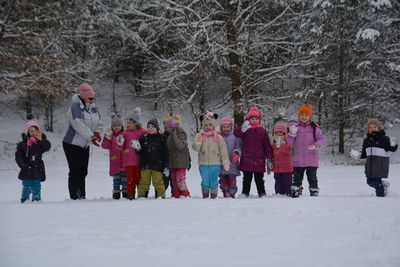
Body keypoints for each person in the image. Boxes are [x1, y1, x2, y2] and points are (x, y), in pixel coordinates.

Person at [63, 83, 102, 200]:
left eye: (93, 98)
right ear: (83, 96)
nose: (92, 100)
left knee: (83, 171)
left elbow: (99, 121)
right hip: (72, 144)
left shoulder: (93, 108)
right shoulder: (74, 108)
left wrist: (97, 132)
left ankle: (82, 195)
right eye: (90, 98)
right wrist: (91, 137)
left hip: (84, 144)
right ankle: (74, 196)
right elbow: (78, 124)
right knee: (75, 170)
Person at [351, 118, 398, 197]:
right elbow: (364, 153)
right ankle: (383, 185)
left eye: (374, 127)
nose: (372, 129)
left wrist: (393, 145)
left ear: (378, 128)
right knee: (369, 182)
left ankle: (380, 199)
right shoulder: (366, 140)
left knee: (376, 183)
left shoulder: (384, 139)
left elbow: (392, 149)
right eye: (370, 127)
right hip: (370, 166)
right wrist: (358, 156)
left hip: (380, 165)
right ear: (368, 129)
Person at [234, 107, 273, 198]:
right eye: (252, 119)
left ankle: (262, 193)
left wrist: (269, 158)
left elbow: (267, 146)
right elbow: (236, 133)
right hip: (247, 159)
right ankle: (245, 193)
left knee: (259, 179)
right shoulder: (245, 130)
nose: (254, 120)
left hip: (259, 160)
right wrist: (242, 129)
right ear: (248, 120)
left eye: (256, 119)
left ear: (259, 120)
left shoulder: (263, 131)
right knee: (247, 178)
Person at [287, 103, 324, 197]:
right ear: (299, 116)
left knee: (312, 177)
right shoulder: (295, 128)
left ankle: (314, 190)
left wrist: (315, 145)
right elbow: (289, 142)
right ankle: (296, 190)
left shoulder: (315, 127)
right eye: (302, 115)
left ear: (310, 116)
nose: (304, 117)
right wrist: (291, 134)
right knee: (297, 177)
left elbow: (321, 139)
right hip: (298, 160)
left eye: (306, 115)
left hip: (311, 159)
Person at [192, 111, 230, 199]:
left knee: (213, 181)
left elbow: (223, 150)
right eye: (206, 125)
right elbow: (196, 149)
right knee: (205, 181)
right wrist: (197, 142)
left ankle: (213, 196)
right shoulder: (200, 136)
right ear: (203, 126)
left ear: (213, 125)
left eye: (210, 125)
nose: (208, 127)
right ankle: (205, 195)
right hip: (203, 163)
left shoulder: (218, 137)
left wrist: (225, 161)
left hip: (215, 163)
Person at [15, 120, 51, 203]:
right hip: (27, 168)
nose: (33, 133)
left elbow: (47, 147)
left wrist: (42, 140)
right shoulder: (23, 144)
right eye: (31, 131)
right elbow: (18, 156)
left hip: (37, 168)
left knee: (37, 186)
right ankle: (25, 199)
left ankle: (37, 199)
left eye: (35, 131)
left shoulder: (40, 143)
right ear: (28, 132)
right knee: (26, 185)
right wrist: (23, 165)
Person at [135, 119, 169, 198]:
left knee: (158, 182)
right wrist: (137, 149)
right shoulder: (144, 138)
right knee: (144, 182)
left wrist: (166, 164)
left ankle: (161, 195)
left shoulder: (162, 138)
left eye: (152, 126)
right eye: (148, 126)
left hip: (157, 165)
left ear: (157, 128)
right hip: (145, 165)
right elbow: (140, 152)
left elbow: (166, 153)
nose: (150, 128)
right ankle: (142, 196)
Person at [118, 107, 147, 200]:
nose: (128, 124)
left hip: (139, 161)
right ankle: (130, 194)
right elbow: (119, 145)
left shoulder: (142, 132)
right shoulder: (125, 133)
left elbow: (149, 138)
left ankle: (141, 194)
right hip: (128, 162)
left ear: (136, 123)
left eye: (130, 123)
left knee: (139, 178)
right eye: (127, 123)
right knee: (130, 179)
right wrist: (122, 148)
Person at [164, 114, 191, 198]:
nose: (166, 129)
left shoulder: (181, 133)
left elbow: (180, 146)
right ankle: (176, 195)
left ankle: (185, 194)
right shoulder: (168, 136)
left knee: (180, 180)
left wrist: (174, 134)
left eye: (167, 127)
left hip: (181, 162)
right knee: (174, 181)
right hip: (173, 163)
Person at [101, 112, 127, 199]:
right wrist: (106, 137)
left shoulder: (125, 135)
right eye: (114, 126)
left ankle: (125, 193)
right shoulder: (111, 137)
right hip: (115, 162)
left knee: (124, 179)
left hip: (124, 163)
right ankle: (116, 193)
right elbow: (105, 146)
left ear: (122, 126)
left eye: (118, 125)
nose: (116, 127)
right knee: (116, 180)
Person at [219, 117, 241, 198]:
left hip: (233, 163)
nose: (226, 129)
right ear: (221, 127)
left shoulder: (235, 136)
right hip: (222, 163)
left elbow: (238, 146)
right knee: (223, 179)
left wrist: (237, 152)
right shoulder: (219, 137)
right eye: (223, 127)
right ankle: (225, 191)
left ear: (231, 127)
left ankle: (232, 192)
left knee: (232, 179)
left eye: (227, 127)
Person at [272, 121, 293, 196]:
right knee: (278, 182)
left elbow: (288, 150)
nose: (279, 134)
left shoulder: (287, 141)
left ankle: (289, 193)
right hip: (277, 168)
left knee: (287, 182)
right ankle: (279, 194)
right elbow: (272, 153)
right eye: (277, 132)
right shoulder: (273, 142)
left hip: (286, 169)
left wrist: (280, 146)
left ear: (284, 133)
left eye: (281, 132)